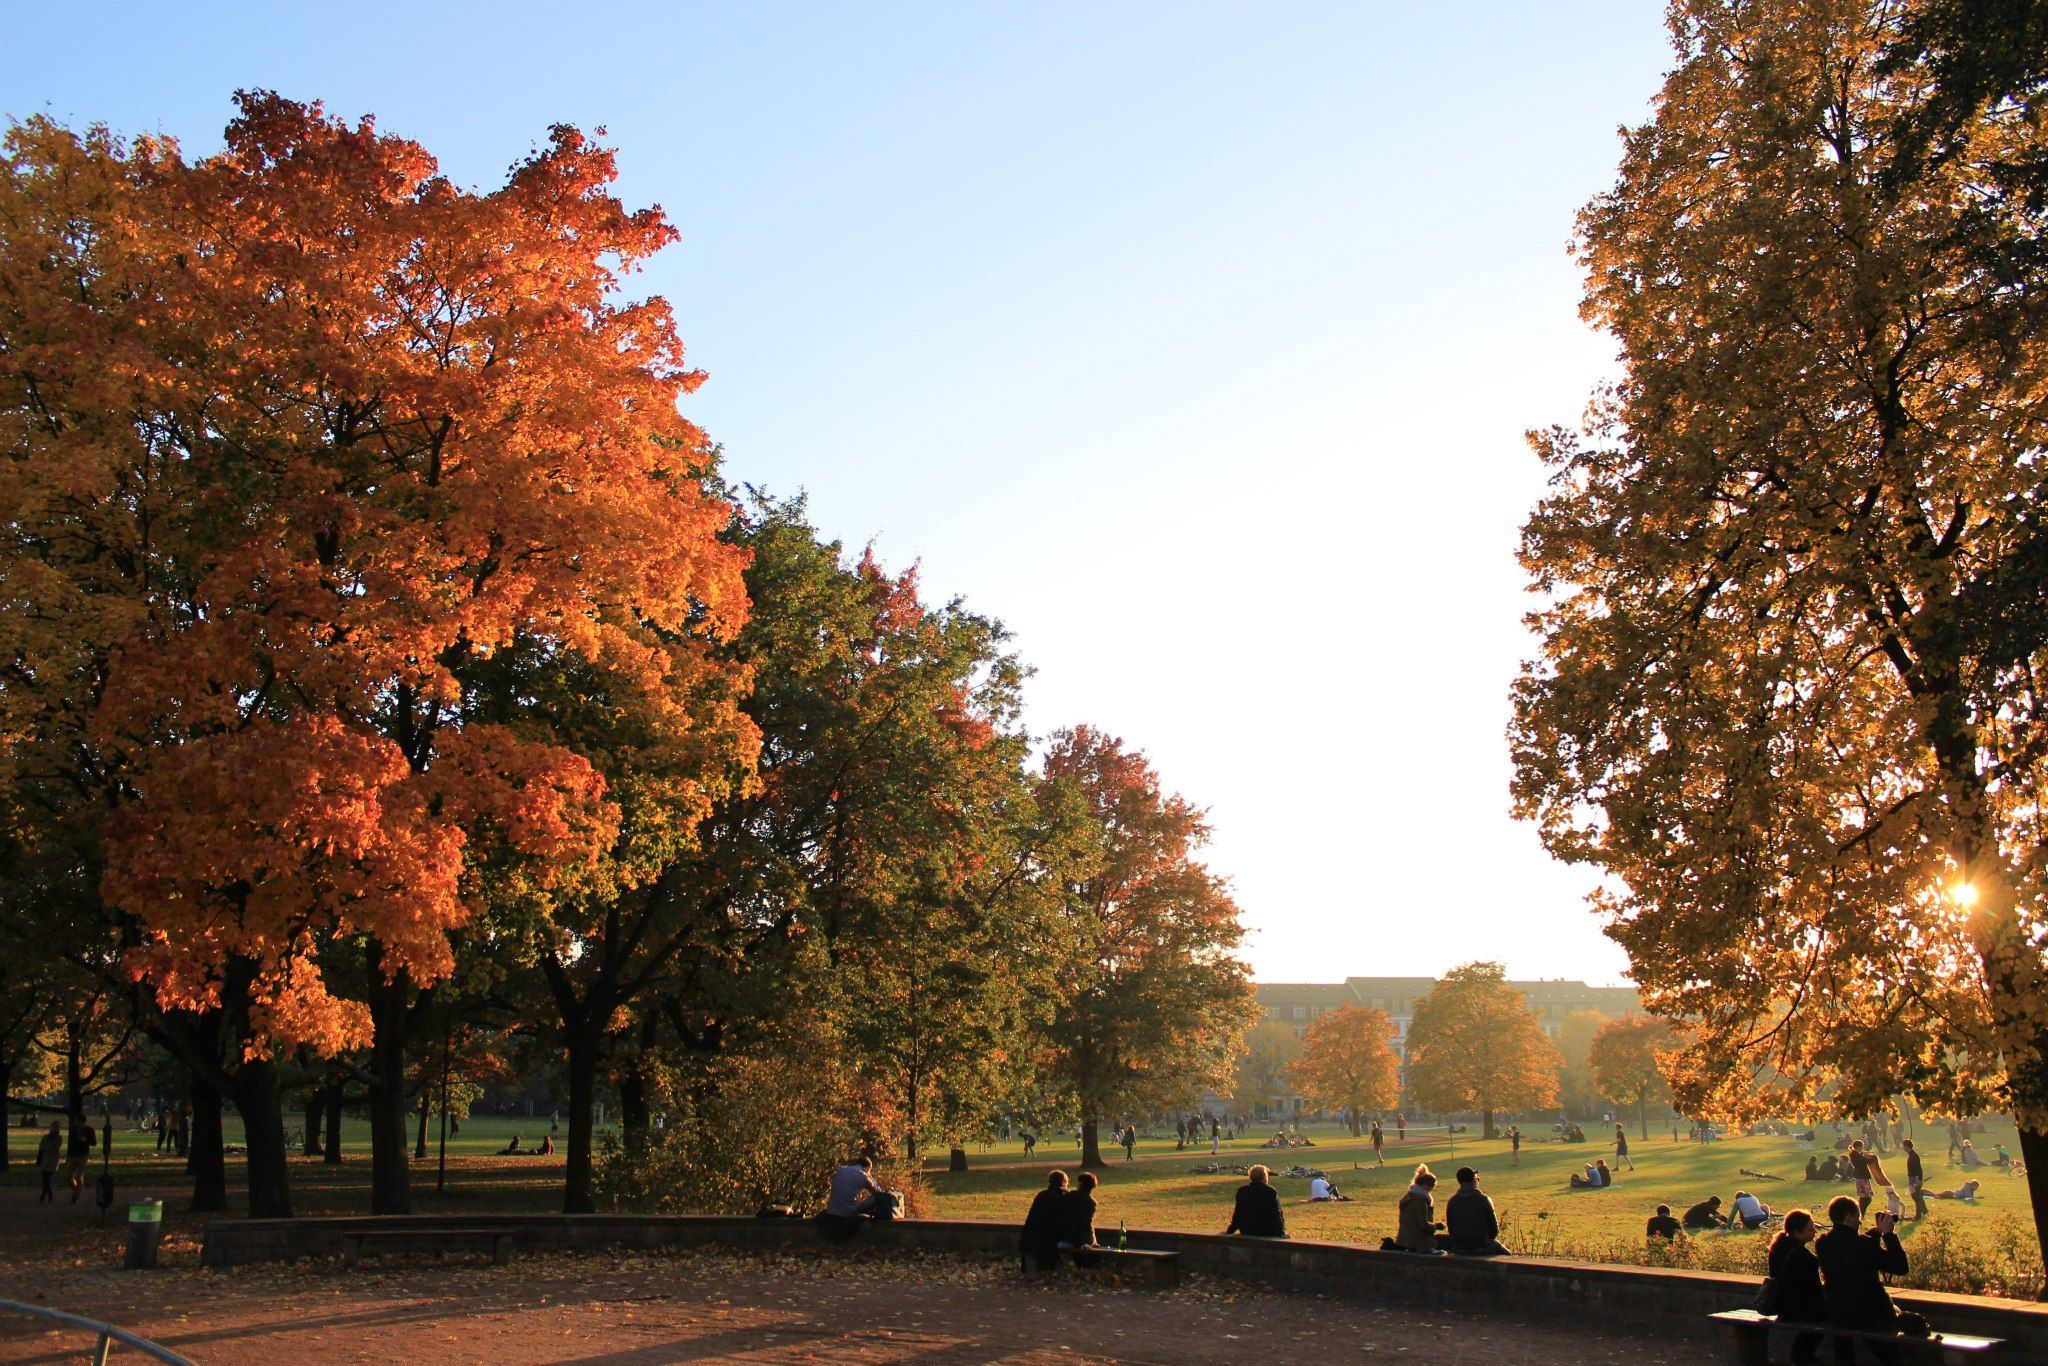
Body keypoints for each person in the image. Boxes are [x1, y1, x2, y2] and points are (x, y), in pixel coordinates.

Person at [1815, 1196, 1911, 1360]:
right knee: (1890, 1352)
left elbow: (1849, 1247)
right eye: (1858, 1217)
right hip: (1870, 1314)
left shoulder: (1823, 1243)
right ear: (1848, 1218)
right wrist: (1888, 1234)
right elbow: (1900, 1267)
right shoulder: (1865, 1245)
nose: (1860, 1221)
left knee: (1843, 1350)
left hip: (1838, 1312)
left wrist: (1876, 1232)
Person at [1766, 1209, 1827, 1365]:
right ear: (1797, 1233)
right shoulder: (1805, 1257)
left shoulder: (1778, 1247)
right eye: (1810, 1229)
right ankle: (1802, 1356)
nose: (1815, 1232)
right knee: (1826, 1317)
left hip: (1781, 1305)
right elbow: (1816, 1291)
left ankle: (1802, 1356)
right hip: (1798, 1309)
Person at [820, 1156, 894, 1238]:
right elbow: (878, 1192)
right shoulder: (863, 1175)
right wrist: (870, 1176)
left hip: (832, 1211)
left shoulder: (841, 1170)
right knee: (881, 1197)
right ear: (868, 1168)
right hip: (848, 1212)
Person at [1445, 1166, 1510, 1256]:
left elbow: (1451, 1229)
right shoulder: (1484, 1199)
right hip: (1482, 1245)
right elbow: (1494, 1230)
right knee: (1508, 1255)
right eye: (1477, 1178)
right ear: (1473, 1181)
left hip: (1459, 1247)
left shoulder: (1452, 1202)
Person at [1019, 1170, 1070, 1271]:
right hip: (1048, 1242)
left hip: (1030, 1240)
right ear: (1064, 1182)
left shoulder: (1042, 1195)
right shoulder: (1062, 1197)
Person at [1225, 1164, 1287, 1238]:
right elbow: (1276, 1214)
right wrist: (1282, 1232)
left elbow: (1238, 1214)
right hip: (1268, 1232)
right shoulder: (1270, 1192)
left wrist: (1230, 1230)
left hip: (1247, 1231)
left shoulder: (1242, 1191)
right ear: (1264, 1177)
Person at [1394, 1164, 1442, 1253]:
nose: (1432, 1189)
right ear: (1425, 1186)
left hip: (1404, 1241)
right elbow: (1423, 1224)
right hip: (1418, 1243)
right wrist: (1437, 1226)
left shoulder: (1408, 1197)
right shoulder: (1420, 1201)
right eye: (1432, 1186)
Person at [1062, 1170, 1101, 1265]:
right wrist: (1093, 1241)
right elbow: (1087, 1224)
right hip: (1086, 1237)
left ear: (1080, 1184)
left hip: (1069, 1237)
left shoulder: (1070, 1196)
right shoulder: (1092, 1202)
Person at [64, 1116, 94, 1203]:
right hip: (73, 1155)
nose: (75, 1123)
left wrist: (86, 1140)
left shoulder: (89, 1130)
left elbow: (94, 1142)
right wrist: (68, 1157)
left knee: (78, 1176)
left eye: (77, 1121)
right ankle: (76, 1191)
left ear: (82, 1122)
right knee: (68, 1176)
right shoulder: (73, 1130)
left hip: (83, 1155)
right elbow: (70, 1144)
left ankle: (76, 1196)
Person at [35, 1121, 61, 1205]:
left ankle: (43, 1195)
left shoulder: (59, 1137)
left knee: (48, 1177)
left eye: (57, 1127)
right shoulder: (45, 1137)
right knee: (44, 1177)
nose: (55, 1128)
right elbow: (41, 1147)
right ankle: (49, 1192)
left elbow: (55, 1147)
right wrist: (46, 1148)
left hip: (53, 1159)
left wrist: (46, 1148)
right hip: (45, 1159)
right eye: (54, 1126)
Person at [1902, 1139, 1926, 1220]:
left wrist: (1920, 1180)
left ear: (1907, 1146)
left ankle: (1921, 1213)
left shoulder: (1914, 1156)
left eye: (1904, 1146)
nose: (1903, 1148)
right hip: (1912, 1178)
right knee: (1916, 1195)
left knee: (1916, 1196)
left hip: (1914, 1178)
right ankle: (1920, 1213)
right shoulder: (1911, 1155)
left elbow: (1919, 1169)